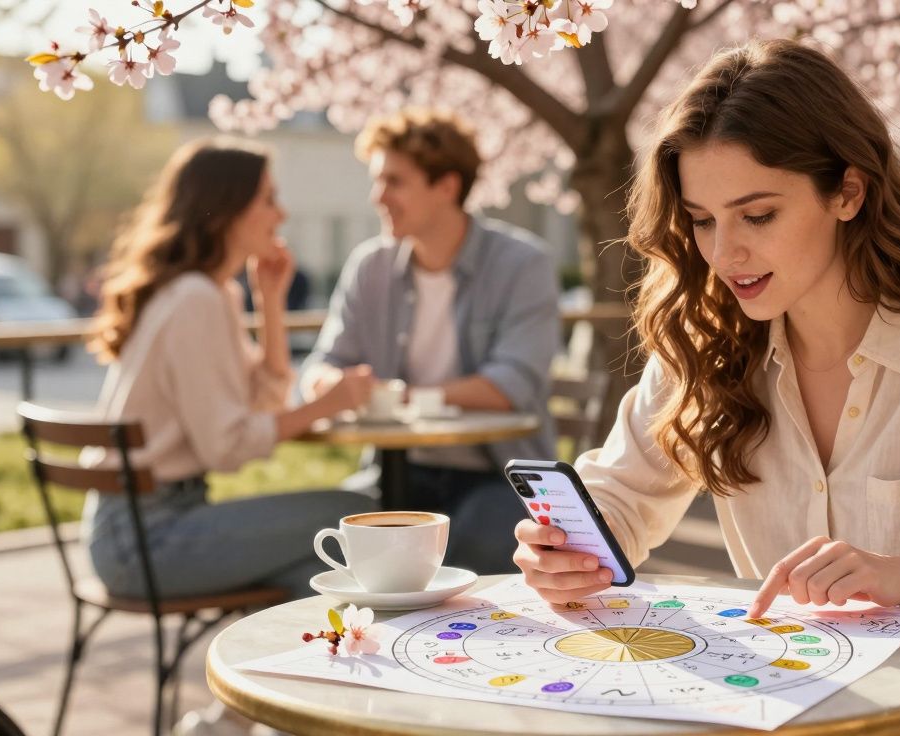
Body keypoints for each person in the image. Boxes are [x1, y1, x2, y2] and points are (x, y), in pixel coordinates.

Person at [512, 40, 900, 735]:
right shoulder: (709, 338)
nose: (725, 253)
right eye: (702, 220)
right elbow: (619, 496)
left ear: (847, 192)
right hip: (788, 703)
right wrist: (570, 551)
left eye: (757, 215)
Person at [84, 138, 379, 606]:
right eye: (268, 199)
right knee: (358, 514)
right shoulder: (194, 300)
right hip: (146, 539)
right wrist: (330, 405)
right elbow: (227, 447)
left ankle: (290, 672)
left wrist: (271, 304)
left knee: (320, 575)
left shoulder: (209, 294)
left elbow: (264, 404)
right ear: (227, 209)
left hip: (148, 527)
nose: (280, 215)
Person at [301, 108, 560, 575]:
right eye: (378, 180)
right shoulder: (370, 267)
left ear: (447, 187)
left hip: (497, 478)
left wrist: (400, 398)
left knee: (458, 549)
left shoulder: (523, 265)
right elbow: (323, 364)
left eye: (394, 181)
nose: (378, 197)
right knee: (314, 538)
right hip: (394, 472)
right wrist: (329, 384)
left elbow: (512, 384)